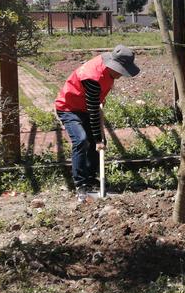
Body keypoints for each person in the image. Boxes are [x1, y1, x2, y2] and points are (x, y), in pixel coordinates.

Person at [56, 45, 140, 201]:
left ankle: (91, 178)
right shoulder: (93, 78)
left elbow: (94, 106)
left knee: (99, 141)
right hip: (69, 108)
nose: (122, 74)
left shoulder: (107, 66)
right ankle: (81, 184)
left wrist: (99, 139)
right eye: (121, 70)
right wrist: (98, 139)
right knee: (82, 140)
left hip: (86, 106)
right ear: (113, 65)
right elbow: (93, 110)